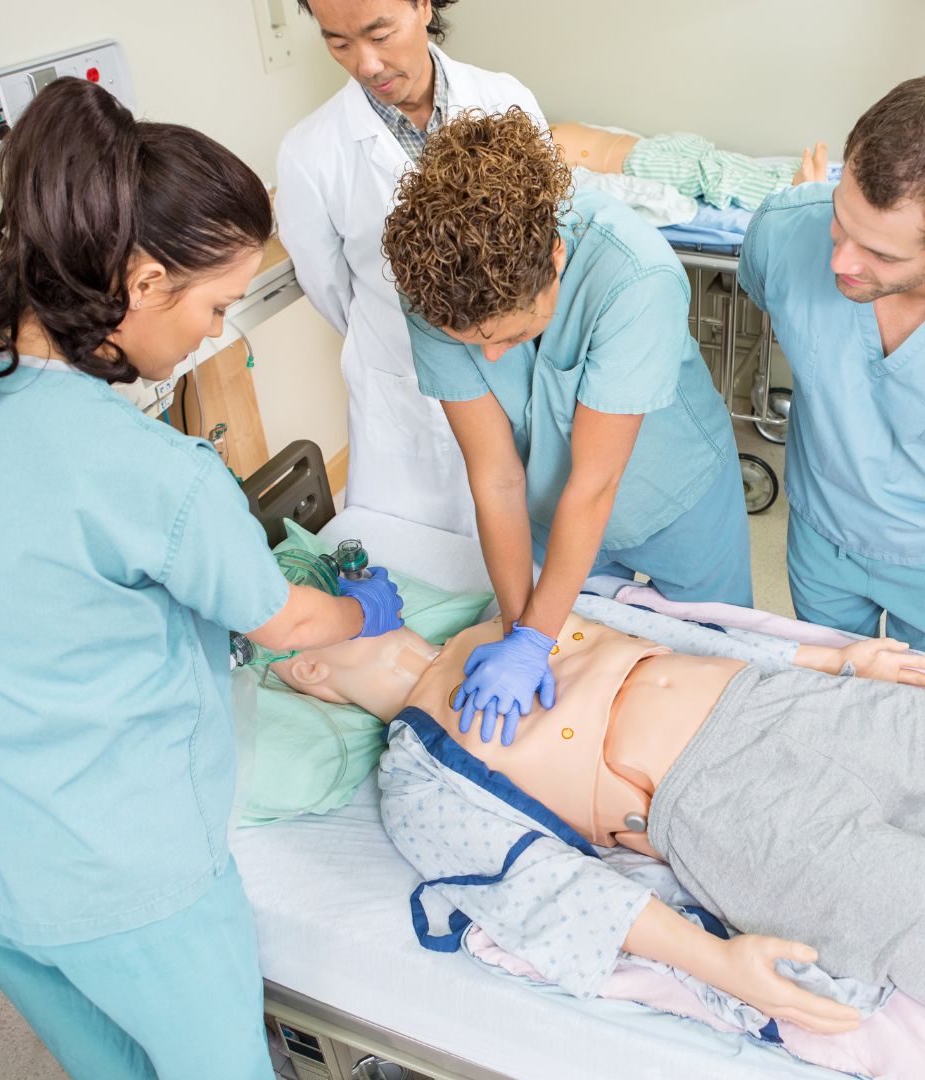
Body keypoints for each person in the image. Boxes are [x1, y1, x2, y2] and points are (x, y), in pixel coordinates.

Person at [0, 78, 405, 1080]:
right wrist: (361, 606)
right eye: (219, 305)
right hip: (117, 875)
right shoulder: (150, 473)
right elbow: (281, 621)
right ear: (144, 282)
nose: (219, 334)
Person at [270, 608, 925, 1031]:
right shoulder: (416, 777)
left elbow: (669, 635)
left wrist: (834, 661)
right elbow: (545, 888)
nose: (349, 581)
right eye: (311, 594)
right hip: (737, 817)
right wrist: (718, 962)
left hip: (794, 703)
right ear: (307, 665)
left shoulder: (502, 605)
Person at [382, 107, 751, 746]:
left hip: (672, 492)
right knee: (571, 648)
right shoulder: (433, 289)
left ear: (555, 257)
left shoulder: (635, 277)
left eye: (517, 335)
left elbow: (595, 486)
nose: (494, 359)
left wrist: (534, 638)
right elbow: (495, 476)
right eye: (473, 345)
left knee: (718, 665)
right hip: (549, 502)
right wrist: (521, 631)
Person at [276, 0, 546, 536]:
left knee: (531, 551)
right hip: (404, 390)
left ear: (423, 6)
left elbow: (543, 240)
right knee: (421, 568)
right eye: (339, 43)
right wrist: (405, 341)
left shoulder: (504, 99)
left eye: (380, 34)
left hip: (514, 373)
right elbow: (329, 290)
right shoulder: (309, 153)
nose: (366, 65)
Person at [738, 77, 925, 651]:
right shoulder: (785, 232)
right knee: (830, 698)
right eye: (842, 219)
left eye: (881, 253)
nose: (840, 260)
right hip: (822, 539)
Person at [551, 121, 829, 211]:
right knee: (704, 174)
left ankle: (786, 173)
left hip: (643, 146)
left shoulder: (529, 123)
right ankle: (785, 189)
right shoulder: (530, 155)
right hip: (635, 162)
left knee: (712, 157)